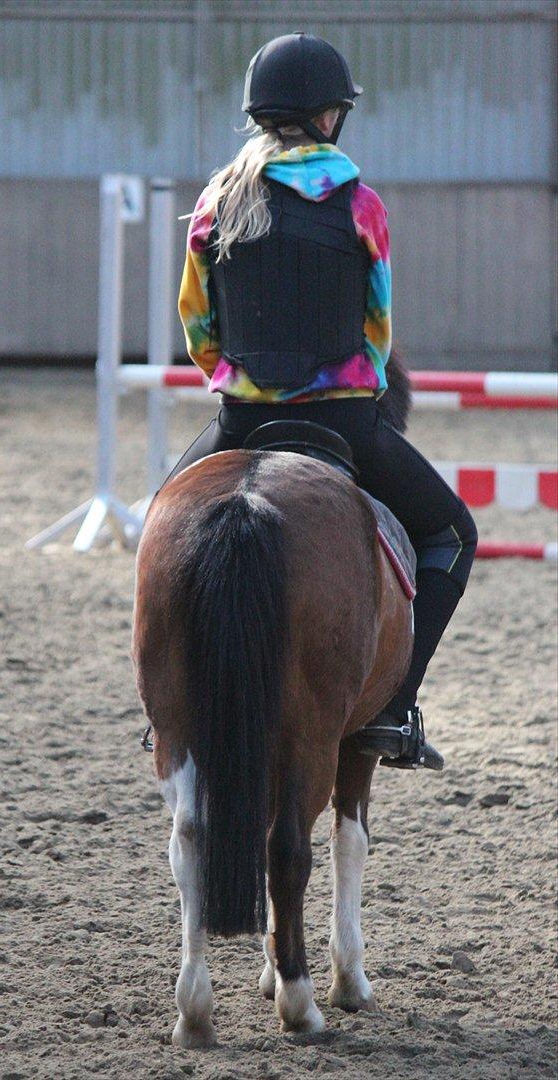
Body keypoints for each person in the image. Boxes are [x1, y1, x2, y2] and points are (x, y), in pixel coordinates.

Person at [170, 33, 478, 771]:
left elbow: (196, 326)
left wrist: (238, 383)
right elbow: (377, 329)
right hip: (343, 418)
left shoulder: (217, 200)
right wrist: (352, 387)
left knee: (167, 531)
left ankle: (173, 704)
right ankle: (395, 709)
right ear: (328, 116)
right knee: (452, 536)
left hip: (241, 419)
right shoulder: (361, 203)